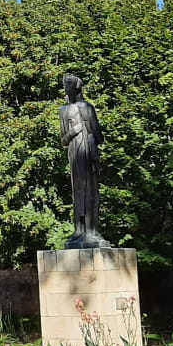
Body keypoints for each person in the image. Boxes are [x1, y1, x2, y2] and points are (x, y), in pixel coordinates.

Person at [60, 74, 109, 249]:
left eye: (68, 85)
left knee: (90, 191)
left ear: (76, 87)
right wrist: (74, 130)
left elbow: (97, 135)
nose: (65, 89)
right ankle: (79, 230)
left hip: (88, 151)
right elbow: (63, 140)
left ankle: (91, 231)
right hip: (74, 153)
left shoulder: (87, 107)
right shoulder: (63, 110)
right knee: (78, 192)